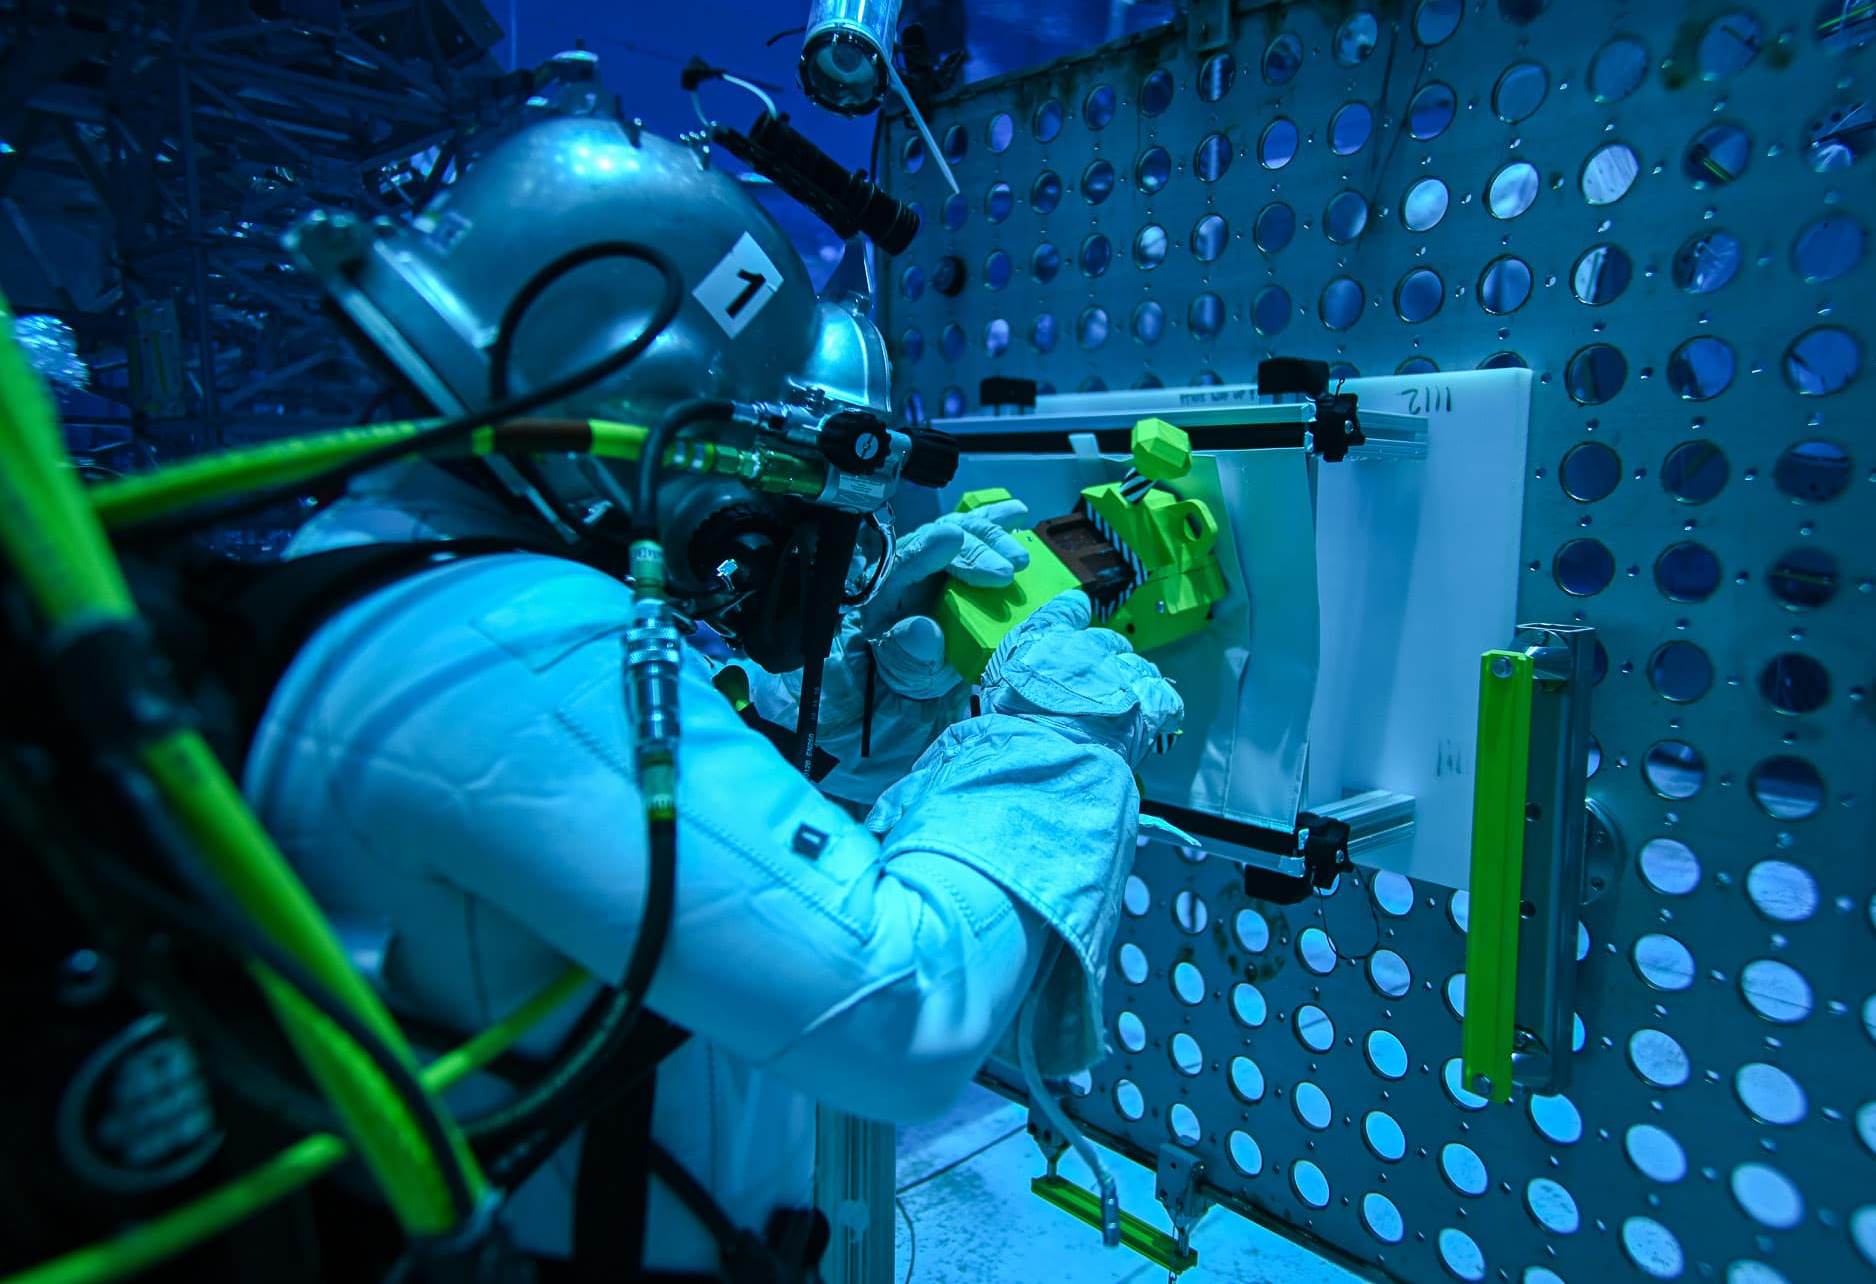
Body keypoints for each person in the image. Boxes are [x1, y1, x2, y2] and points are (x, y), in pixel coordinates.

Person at [243, 105, 1182, 1281]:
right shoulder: (524, 648)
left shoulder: (399, 578)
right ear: (664, 413)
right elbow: (900, 1012)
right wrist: (1059, 729)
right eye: (778, 482)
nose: (784, 540)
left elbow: (676, 852)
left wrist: (854, 703)